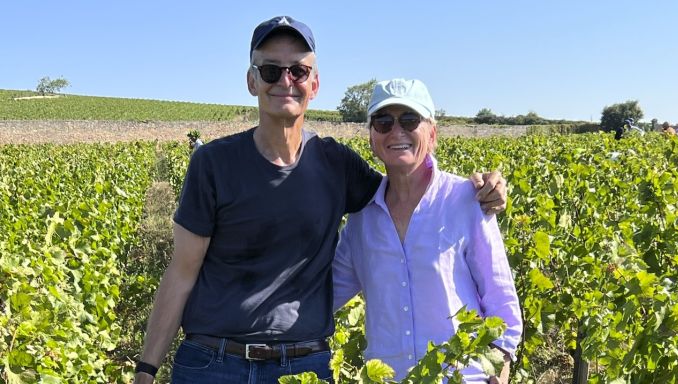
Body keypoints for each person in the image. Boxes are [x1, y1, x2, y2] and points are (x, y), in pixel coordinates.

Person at [133, 16, 508, 384]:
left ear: (314, 84)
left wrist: (482, 188)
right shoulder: (213, 163)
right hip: (215, 363)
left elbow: (410, 187)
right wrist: (146, 370)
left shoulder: (337, 165)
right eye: (270, 71)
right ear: (251, 81)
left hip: (302, 366)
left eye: (298, 71)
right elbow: (181, 272)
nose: (285, 81)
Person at [333, 79, 522, 384]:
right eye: (383, 122)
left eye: (409, 120)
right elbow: (324, 295)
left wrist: (499, 367)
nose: (396, 131)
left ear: (432, 134)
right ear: (371, 138)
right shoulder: (361, 219)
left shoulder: (467, 201)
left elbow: (501, 301)